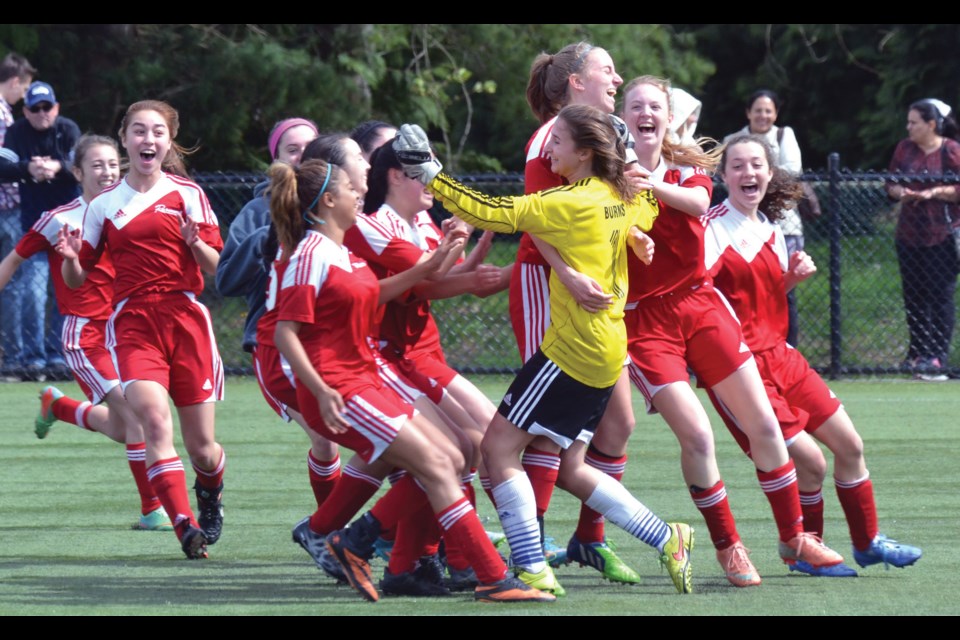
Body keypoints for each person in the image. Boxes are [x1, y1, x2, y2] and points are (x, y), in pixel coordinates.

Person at [394, 108, 697, 596]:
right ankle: (667, 537)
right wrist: (634, 236)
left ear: (584, 153)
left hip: (571, 351)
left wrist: (428, 170)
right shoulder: (619, 193)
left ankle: (532, 566)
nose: (548, 149)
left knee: (496, 451)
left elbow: (488, 211)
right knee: (572, 469)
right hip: (605, 349)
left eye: (556, 141)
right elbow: (646, 212)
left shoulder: (567, 200)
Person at [267, 157, 553, 604]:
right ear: (327, 201)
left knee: (457, 454)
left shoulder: (339, 250)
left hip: (364, 376)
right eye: (349, 188)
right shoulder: (309, 255)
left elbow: (372, 295)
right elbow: (286, 332)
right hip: (342, 385)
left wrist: (431, 264)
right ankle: (490, 576)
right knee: (439, 465)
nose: (359, 194)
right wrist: (320, 391)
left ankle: (352, 541)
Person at [621, 75, 845, 587]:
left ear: (669, 115)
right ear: (624, 116)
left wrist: (648, 183)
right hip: (644, 320)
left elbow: (698, 205)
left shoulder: (687, 165)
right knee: (698, 435)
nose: (647, 113)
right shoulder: (607, 171)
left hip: (699, 304)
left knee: (765, 427)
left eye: (656, 105)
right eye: (637, 106)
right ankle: (729, 546)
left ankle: (794, 538)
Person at [705, 133, 922, 576]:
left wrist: (790, 279)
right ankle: (807, 550)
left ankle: (866, 543)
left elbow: (755, 301)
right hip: (740, 368)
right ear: (723, 176)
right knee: (811, 461)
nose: (749, 173)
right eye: (738, 166)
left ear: (770, 173)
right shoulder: (710, 228)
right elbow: (699, 304)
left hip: (784, 357)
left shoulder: (770, 228)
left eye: (757, 165)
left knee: (850, 445)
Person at [58, 100, 225, 560]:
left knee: (204, 449)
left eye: (156, 132)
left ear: (167, 141)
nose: (147, 140)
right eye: (137, 131)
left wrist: (196, 244)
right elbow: (79, 279)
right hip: (133, 323)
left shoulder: (188, 194)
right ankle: (183, 525)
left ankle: (209, 492)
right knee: (153, 420)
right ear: (125, 138)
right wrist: (72, 259)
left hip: (187, 320)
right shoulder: (104, 206)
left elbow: (218, 267)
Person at [513, 41, 646, 585]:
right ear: (575, 81)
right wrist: (565, 272)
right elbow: (535, 219)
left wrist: (635, 230)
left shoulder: (605, 136)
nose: (617, 78)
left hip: (593, 299)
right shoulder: (552, 137)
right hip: (548, 283)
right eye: (606, 69)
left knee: (619, 423)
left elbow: (617, 206)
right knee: (544, 429)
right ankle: (531, 550)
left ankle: (589, 539)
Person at [0, 134, 172, 531]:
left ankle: (58, 406)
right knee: (135, 420)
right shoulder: (59, 219)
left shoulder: (133, 210)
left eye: (113, 164)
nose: (107, 172)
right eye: (97, 165)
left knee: (121, 425)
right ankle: (151, 511)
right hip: (85, 335)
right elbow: (12, 259)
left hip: (127, 330)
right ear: (77, 172)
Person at [0, 80, 79, 380]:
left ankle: (58, 355)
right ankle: (34, 359)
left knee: (65, 294)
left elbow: (83, 163)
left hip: (68, 229)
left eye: (48, 107)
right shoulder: (17, 132)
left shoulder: (68, 129)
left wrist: (57, 168)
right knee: (33, 293)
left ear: (56, 108)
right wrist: (28, 169)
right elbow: (2, 167)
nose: (42, 113)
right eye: (35, 108)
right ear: (27, 110)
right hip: (34, 225)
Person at [723, 89, 806, 347]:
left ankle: (785, 344)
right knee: (741, 288)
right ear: (748, 112)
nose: (763, 115)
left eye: (768, 110)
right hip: (739, 224)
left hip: (784, 224)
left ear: (776, 113)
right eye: (757, 110)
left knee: (784, 289)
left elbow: (793, 170)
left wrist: (757, 173)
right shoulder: (732, 140)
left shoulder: (784, 135)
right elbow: (719, 168)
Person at [886, 98, 960, 381]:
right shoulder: (904, 149)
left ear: (931, 124)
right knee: (914, 295)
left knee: (940, 296)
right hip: (909, 233)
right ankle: (917, 353)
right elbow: (890, 183)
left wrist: (934, 192)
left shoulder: (951, 150)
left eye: (914, 122)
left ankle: (937, 356)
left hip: (941, 234)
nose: (909, 127)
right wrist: (900, 193)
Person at [0, 53, 36, 379]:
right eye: (23, 89)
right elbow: (6, 164)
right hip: (7, 208)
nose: (23, 96)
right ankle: (12, 357)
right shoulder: (3, 116)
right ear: (14, 82)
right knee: (11, 284)